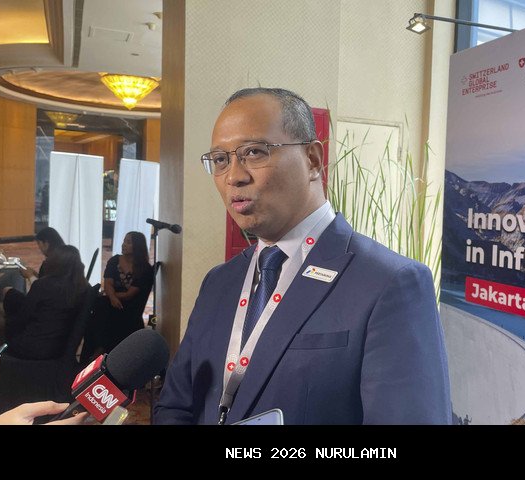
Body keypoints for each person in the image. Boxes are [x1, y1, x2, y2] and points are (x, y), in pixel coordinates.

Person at [154, 88, 451, 425]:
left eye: (254, 152)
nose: (234, 176)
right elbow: (175, 406)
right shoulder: (218, 282)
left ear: (312, 159)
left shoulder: (388, 283)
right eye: (221, 159)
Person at [0, 245, 88, 360]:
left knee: (1, 315)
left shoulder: (44, 285)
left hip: (32, 347)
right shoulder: (83, 288)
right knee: (3, 308)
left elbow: (23, 317)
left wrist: (7, 320)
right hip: (59, 345)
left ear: (54, 264)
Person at [81, 232, 153, 361]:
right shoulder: (114, 260)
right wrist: (112, 297)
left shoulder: (144, 268)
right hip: (112, 301)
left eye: (128, 242)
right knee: (100, 305)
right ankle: (98, 348)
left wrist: (111, 296)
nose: (124, 245)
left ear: (137, 246)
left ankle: (101, 348)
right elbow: (108, 283)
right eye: (124, 241)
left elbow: (129, 294)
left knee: (102, 306)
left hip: (129, 306)